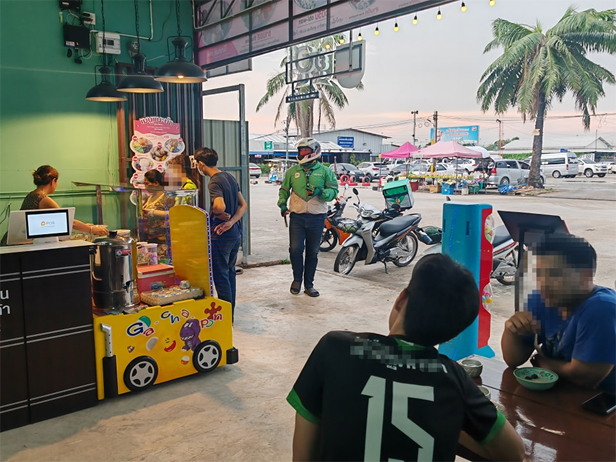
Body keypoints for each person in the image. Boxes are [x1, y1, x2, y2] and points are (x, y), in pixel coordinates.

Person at [287, 253, 525, 461]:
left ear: (401, 299)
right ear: (453, 334)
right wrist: (452, 421)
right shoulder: (454, 379)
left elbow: (303, 456)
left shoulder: (334, 349)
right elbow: (515, 452)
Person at [501, 234, 616, 392]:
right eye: (538, 274)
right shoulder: (542, 299)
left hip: (600, 402)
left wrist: (544, 363)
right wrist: (511, 330)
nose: (543, 283)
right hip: (556, 395)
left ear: (585, 275)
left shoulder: (601, 308)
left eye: (554, 274)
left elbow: (585, 378)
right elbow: (513, 360)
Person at [277, 138, 338, 297]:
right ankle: (297, 280)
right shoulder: (292, 171)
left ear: (314, 152)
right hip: (297, 217)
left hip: (317, 218)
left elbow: (333, 193)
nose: (302, 153)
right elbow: (284, 190)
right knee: (295, 250)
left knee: (312, 252)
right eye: (300, 151)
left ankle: (309, 285)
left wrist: (321, 192)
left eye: (305, 151)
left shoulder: (325, 172)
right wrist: (282, 204)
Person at [194, 147, 247, 322]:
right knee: (230, 274)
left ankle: (225, 320)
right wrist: (231, 222)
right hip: (234, 233)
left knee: (221, 277)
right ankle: (229, 316)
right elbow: (243, 205)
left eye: (197, 164)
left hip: (220, 236)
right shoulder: (229, 177)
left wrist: (218, 213)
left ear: (201, 164)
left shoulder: (214, 182)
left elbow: (219, 205)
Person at [19, 165, 108, 236]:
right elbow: (68, 221)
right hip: (26, 242)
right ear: (53, 181)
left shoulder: (31, 195)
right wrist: (91, 229)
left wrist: (84, 226)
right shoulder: (43, 199)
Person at [141, 169, 174, 244]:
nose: (145, 187)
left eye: (147, 183)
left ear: (156, 183)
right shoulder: (150, 198)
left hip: (163, 240)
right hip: (150, 238)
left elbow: (172, 214)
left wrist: (152, 212)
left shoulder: (167, 197)